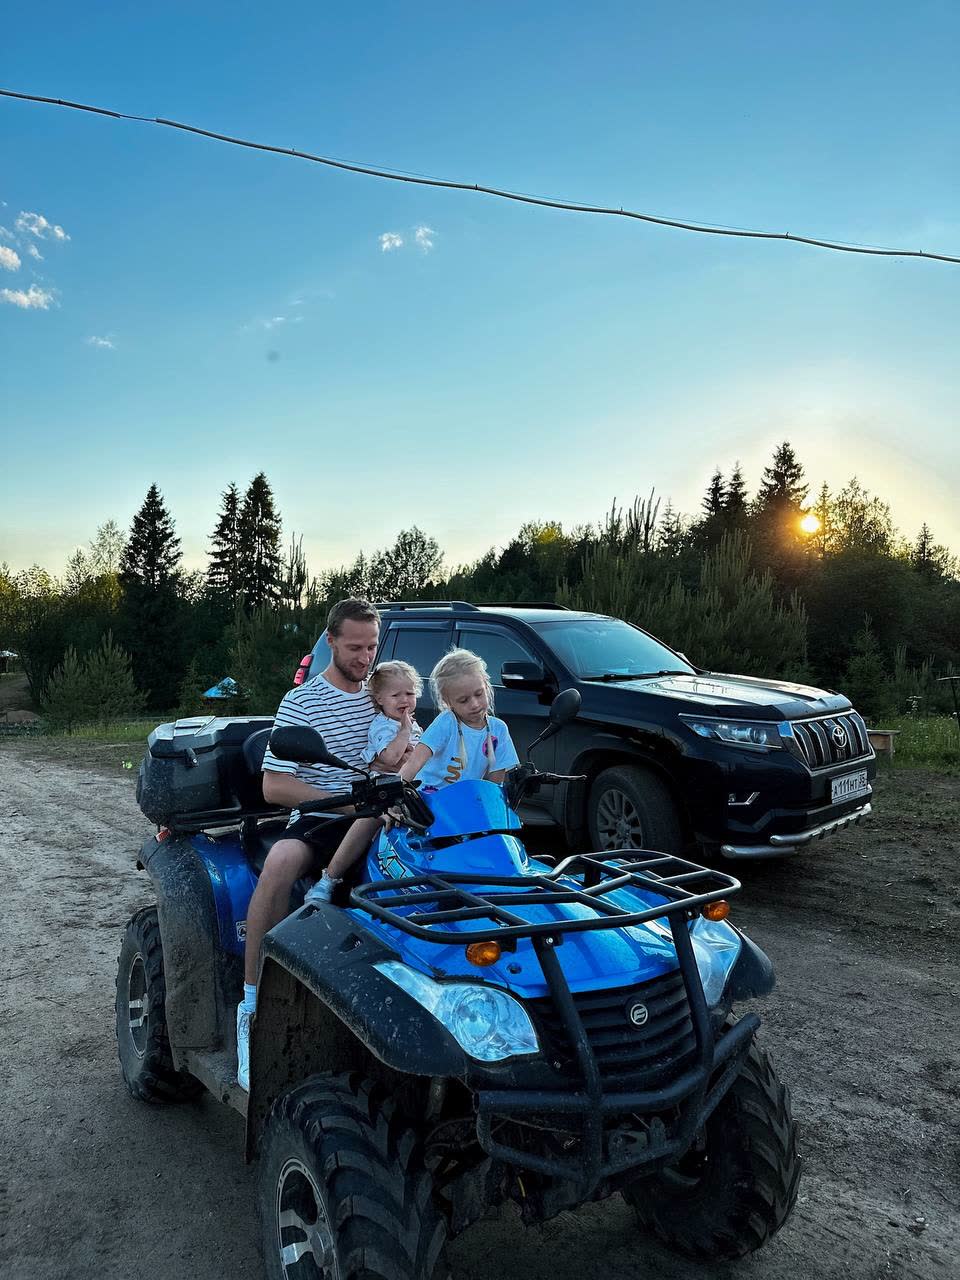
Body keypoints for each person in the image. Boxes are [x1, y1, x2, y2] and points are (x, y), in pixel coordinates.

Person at [235, 597, 380, 1090]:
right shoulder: (302, 702)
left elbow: (416, 749)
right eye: (355, 647)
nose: (365, 657)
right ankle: (252, 1002)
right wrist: (344, 803)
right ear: (331, 642)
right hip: (320, 818)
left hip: (377, 816)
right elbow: (275, 786)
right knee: (280, 862)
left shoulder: (383, 694)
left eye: (372, 646)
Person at [305, 659, 423, 904]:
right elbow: (390, 758)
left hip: (411, 788)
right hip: (384, 790)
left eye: (410, 693)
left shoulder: (412, 725)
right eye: (396, 695)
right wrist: (404, 732)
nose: (404, 700)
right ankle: (329, 879)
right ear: (379, 699)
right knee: (369, 819)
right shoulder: (383, 726)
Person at [402, 647, 519, 788]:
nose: (475, 704)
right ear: (448, 702)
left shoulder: (498, 729)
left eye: (479, 694)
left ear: (487, 687)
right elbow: (415, 761)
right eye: (463, 700)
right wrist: (393, 793)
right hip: (429, 796)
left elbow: (494, 784)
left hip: (466, 798)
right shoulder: (446, 722)